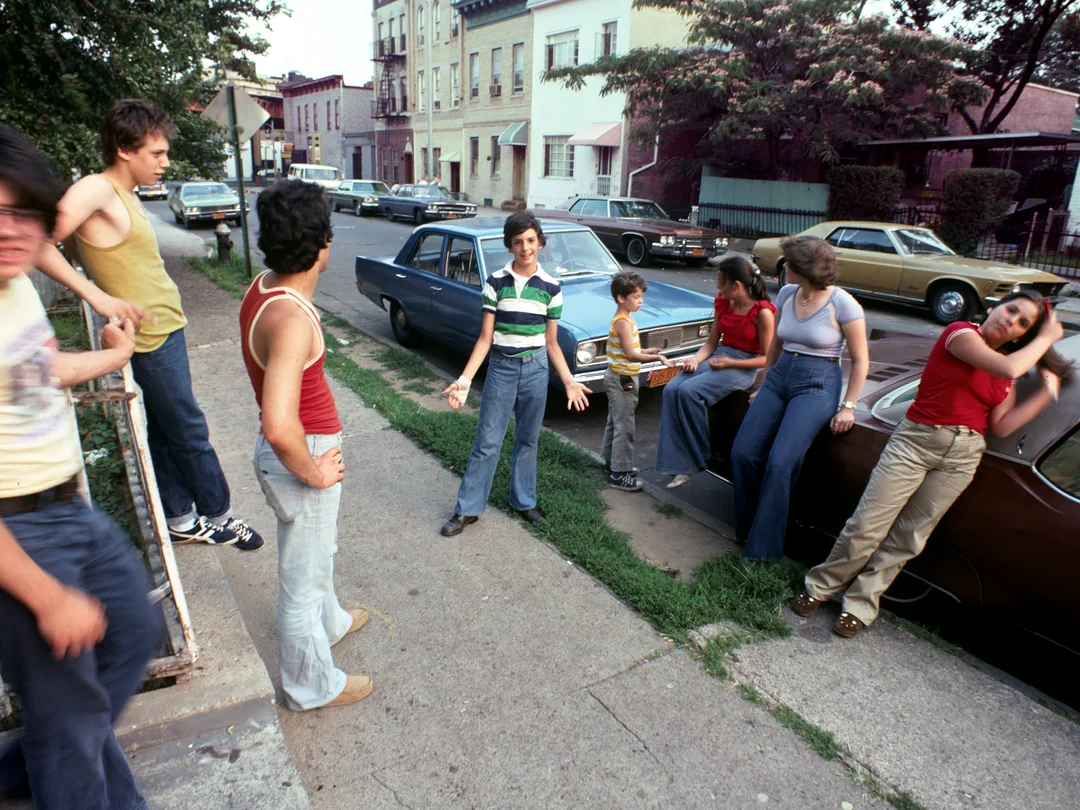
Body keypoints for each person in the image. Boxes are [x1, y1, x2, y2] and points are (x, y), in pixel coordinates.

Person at [0, 125, 163, 809]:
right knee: (70, 722)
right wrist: (44, 596)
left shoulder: (13, 285)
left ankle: (23, 770)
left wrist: (113, 358)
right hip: (20, 535)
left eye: (21, 213)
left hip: (71, 508)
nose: (13, 231)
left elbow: (36, 373)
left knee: (134, 632)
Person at [37, 99, 263, 551]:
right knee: (189, 430)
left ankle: (180, 517)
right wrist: (97, 296)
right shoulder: (97, 189)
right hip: (150, 338)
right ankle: (220, 515)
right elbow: (37, 240)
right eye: (156, 154)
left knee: (163, 430)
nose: (165, 163)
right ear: (125, 148)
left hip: (165, 329)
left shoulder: (125, 195)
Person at [792, 290, 1069, 638]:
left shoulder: (1006, 373)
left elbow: (1001, 425)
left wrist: (1047, 391)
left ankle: (861, 604)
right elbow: (1011, 365)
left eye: (1023, 323)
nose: (1011, 321)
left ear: (1020, 336)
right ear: (996, 306)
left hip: (963, 456)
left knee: (910, 536)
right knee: (867, 524)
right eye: (1011, 310)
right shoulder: (961, 333)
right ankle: (820, 587)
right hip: (916, 442)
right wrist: (1046, 338)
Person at [240, 180, 373, 709]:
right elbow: (278, 423)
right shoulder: (291, 318)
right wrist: (314, 472)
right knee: (302, 581)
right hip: (301, 454)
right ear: (323, 243)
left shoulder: (266, 287)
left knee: (320, 556)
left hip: (301, 449)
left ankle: (332, 622)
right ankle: (311, 687)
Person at [439, 212, 591, 536]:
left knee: (528, 439)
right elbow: (485, 338)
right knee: (487, 440)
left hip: (536, 370)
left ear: (540, 242)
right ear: (510, 245)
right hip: (502, 369)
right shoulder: (495, 283)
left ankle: (523, 501)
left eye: (531, 241)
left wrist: (568, 381)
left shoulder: (552, 287)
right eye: (518, 242)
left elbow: (551, 342)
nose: (525, 248)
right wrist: (465, 380)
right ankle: (467, 509)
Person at [730, 235, 869, 561]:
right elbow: (777, 343)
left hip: (817, 384)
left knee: (781, 463)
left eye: (789, 263)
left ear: (804, 268)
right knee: (742, 453)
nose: (784, 267)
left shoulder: (843, 304)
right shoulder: (789, 292)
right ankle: (748, 527)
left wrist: (848, 407)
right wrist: (764, 385)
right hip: (779, 378)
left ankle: (761, 553)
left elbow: (861, 360)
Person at [656, 256, 776, 490]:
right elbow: (710, 344)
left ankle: (699, 458)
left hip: (744, 365)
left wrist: (731, 362)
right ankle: (680, 464)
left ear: (737, 286)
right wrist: (695, 359)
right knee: (672, 389)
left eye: (721, 281)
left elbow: (767, 358)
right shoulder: (723, 302)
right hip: (718, 355)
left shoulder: (762, 312)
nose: (717, 286)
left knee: (689, 391)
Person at [602, 271, 664, 492]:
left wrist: (647, 350)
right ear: (621, 298)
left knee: (615, 421)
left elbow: (630, 349)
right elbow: (631, 355)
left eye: (641, 296)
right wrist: (655, 357)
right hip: (622, 379)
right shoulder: (623, 322)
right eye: (636, 297)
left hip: (619, 376)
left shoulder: (625, 319)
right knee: (625, 426)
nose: (641, 301)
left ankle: (612, 462)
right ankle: (619, 474)